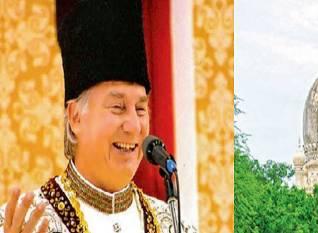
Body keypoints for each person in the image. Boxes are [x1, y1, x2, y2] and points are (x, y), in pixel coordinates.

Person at [0, 0, 196, 232]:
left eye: (141, 109)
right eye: (118, 107)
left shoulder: (172, 224)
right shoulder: (23, 223)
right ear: (75, 117)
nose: (134, 126)